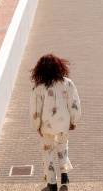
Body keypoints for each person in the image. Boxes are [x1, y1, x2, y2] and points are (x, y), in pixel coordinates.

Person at [30, 54, 80, 191]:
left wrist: (37, 126)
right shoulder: (68, 83)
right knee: (63, 148)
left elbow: (35, 110)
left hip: (47, 127)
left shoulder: (38, 88)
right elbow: (74, 103)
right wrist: (74, 120)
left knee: (48, 153)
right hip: (63, 125)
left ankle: (52, 183)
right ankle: (64, 176)